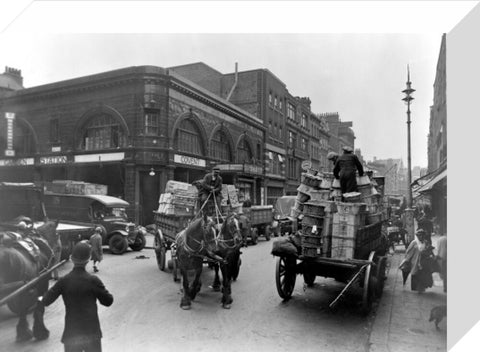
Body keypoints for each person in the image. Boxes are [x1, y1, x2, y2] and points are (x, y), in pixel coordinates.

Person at [42, 241, 113, 352]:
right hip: (92, 334)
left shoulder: (64, 281)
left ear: (72, 258)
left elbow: (46, 300)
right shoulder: (93, 280)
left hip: (72, 334)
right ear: (88, 259)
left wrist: (38, 297)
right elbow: (108, 301)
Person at [399, 229, 435, 293]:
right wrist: (407, 260)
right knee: (415, 273)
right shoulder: (414, 243)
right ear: (417, 236)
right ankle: (415, 287)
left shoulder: (426, 242)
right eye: (419, 235)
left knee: (422, 274)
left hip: (423, 261)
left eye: (422, 235)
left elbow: (429, 250)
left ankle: (422, 287)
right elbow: (409, 252)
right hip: (415, 261)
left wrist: (430, 255)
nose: (421, 237)